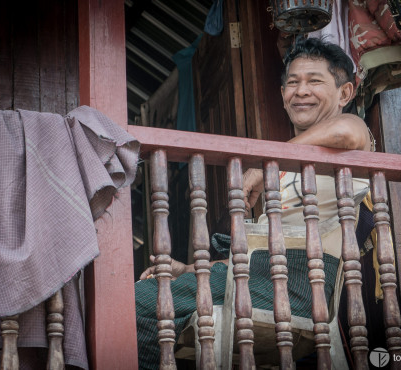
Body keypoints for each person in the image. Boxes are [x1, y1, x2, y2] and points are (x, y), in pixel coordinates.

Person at [135, 37, 374, 369]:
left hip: (302, 288)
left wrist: (267, 165)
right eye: (292, 83)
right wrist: (190, 269)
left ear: (345, 94)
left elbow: (347, 130)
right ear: (282, 94)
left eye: (314, 81)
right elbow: (259, 260)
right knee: (153, 302)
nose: (301, 91)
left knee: (138, 305)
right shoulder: (288, 169)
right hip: (262, 280)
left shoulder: (353, 138)